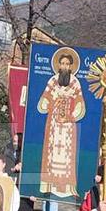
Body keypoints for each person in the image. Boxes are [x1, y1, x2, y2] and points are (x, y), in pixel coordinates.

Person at [37, 50, 86, 196]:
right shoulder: (52, 81)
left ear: (71, 66)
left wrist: (70, 117)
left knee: (66, 154)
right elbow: (43, 104)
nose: (64, 66)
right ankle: (48, 185)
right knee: (51, 153)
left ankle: (67, 188)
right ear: (58, 65)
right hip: (52, 123)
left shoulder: (75, 82)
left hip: (68, 127)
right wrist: (54, 100)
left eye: (67, 64)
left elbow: (80, 106)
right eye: (62, 63)